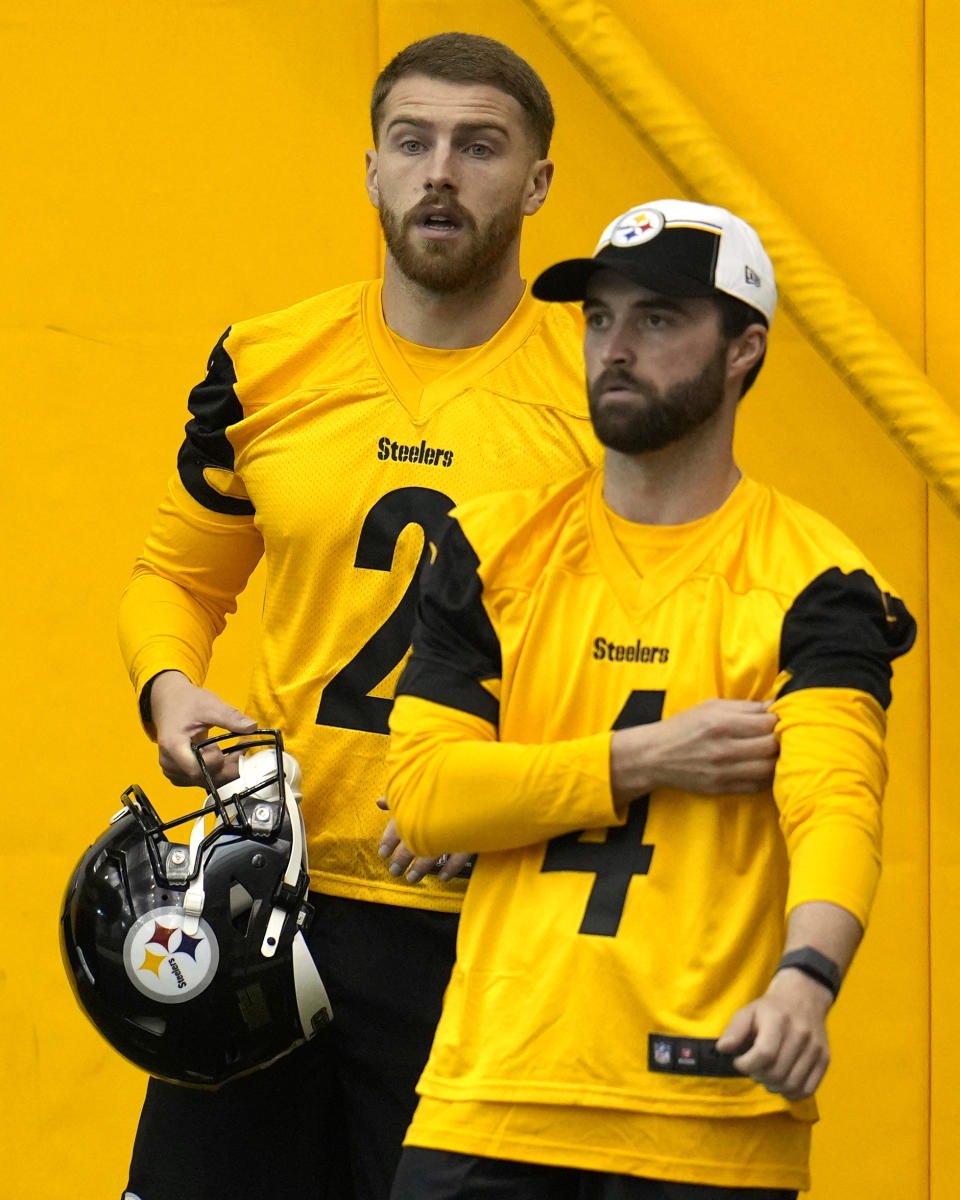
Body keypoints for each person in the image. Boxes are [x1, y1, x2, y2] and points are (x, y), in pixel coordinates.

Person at [117, 36, 778, 1196]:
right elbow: (174, 578)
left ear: (536, 184)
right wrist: (172, 691)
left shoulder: (599, 393)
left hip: (481, 925)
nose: (441, 174)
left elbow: (661, 645)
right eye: (413, 143)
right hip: (270, 888)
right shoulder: (269, 363)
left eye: (480, 147)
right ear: (370, 166)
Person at [385, 199, 916, 1199]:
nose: (615, 349)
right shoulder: (495, 547)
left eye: (659, 320)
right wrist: (647, 757)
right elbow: (422, 797)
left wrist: (807, 980)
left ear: (742, 350)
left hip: (701, 1113)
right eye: (599, 318)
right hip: (489, 1093)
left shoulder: (817, 583)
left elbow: (836, 804)